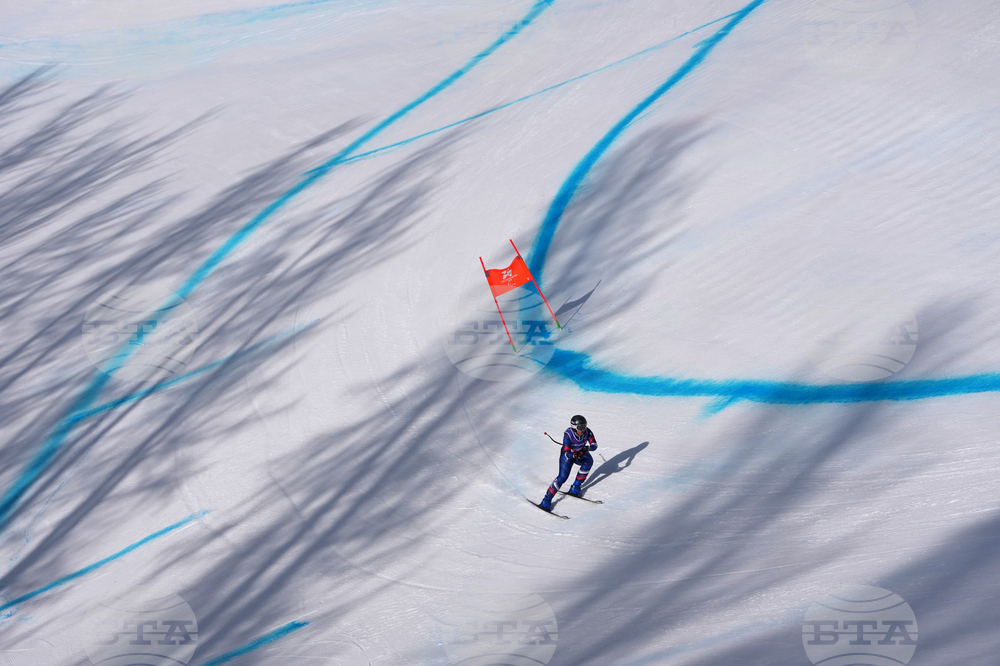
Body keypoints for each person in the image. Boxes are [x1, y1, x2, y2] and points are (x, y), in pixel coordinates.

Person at [539, 415, 597, 511]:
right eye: (580, 427)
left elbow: (594, 444)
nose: (583, 430)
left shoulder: (587, 431)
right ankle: (546, 500)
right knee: (562, 477)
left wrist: (588, 448)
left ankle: (575, 487)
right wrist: (574, 455)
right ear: (574, 428)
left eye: (584, 426)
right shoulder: (568, 434)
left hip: (580, 453)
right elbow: (566, 453)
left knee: (589, 461)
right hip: (567, 457)